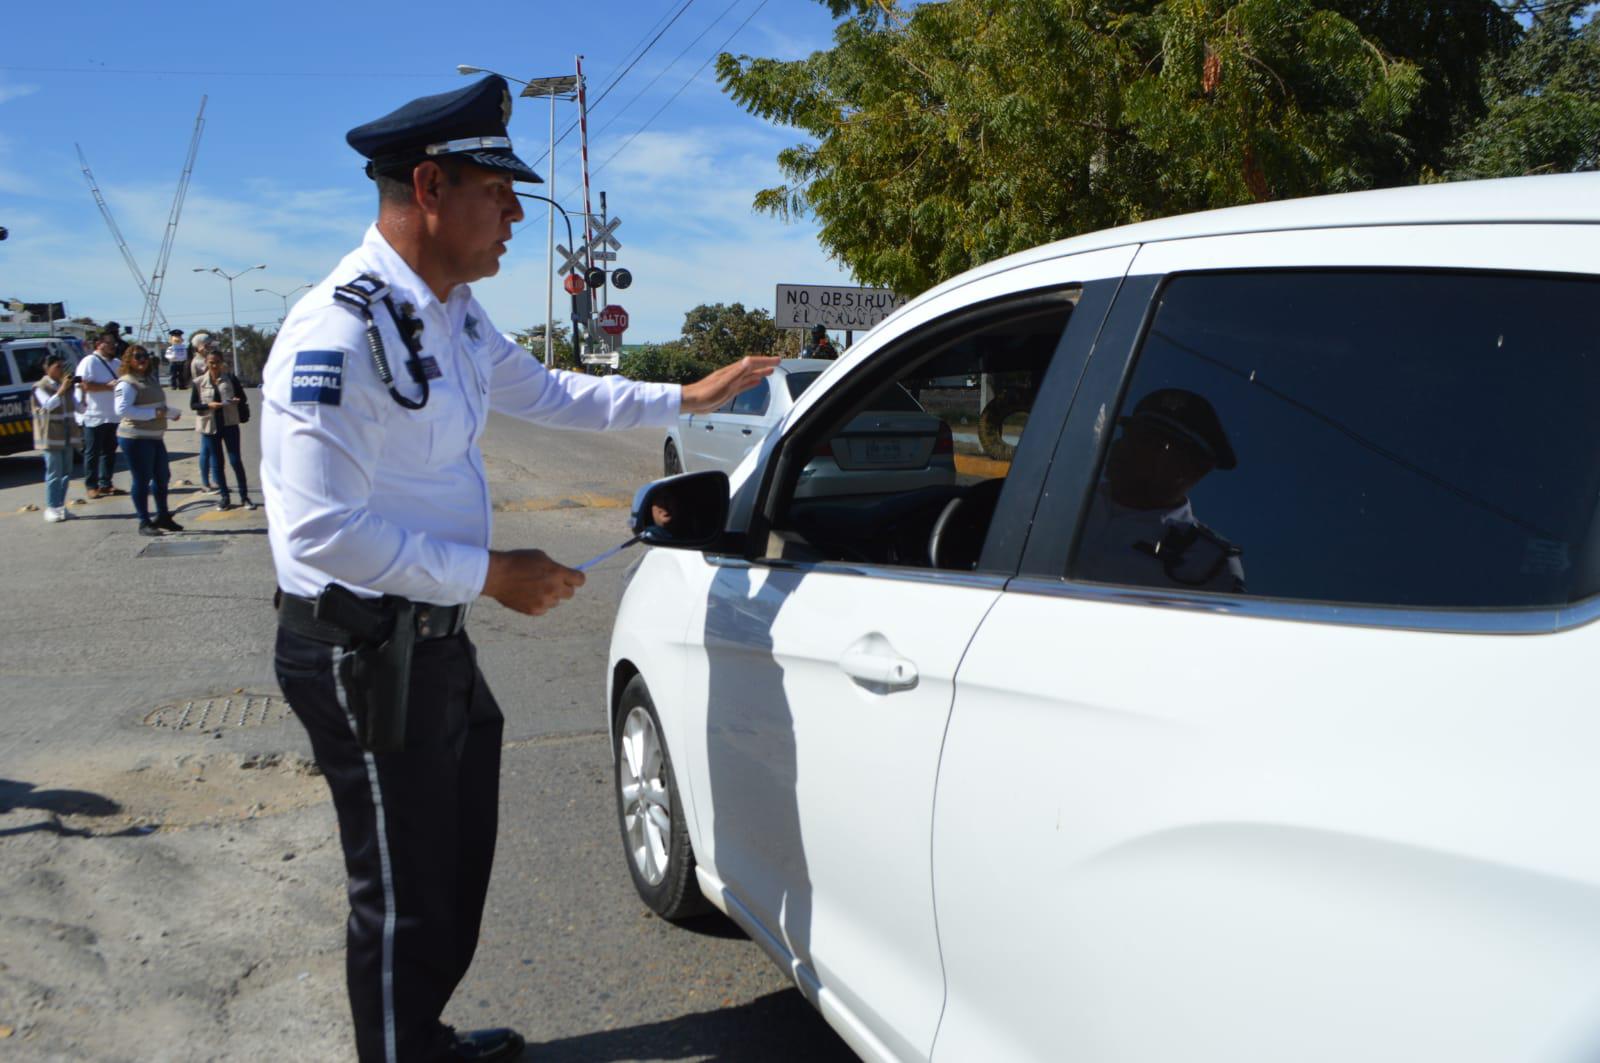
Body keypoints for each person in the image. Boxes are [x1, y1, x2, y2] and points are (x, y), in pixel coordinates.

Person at [260, 75, 778, 1063]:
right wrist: (492, 572)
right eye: (496, 192)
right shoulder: (337, 333)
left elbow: (549, 393)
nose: (511, 215)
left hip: (431, 634)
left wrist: (685, 394)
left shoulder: (446, 312)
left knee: (453, 864)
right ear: (428, 187)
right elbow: (322, 534)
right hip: (363, 644)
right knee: (402, 884)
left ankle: (423, 1034)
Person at [1074, 387, 1245, 593]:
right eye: (1129, 433)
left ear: (1191, 470)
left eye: (1149, 442)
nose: (1125, 445)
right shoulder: (1060, 502)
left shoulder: (1208, 564)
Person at [113, 345, 185, 537]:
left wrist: (169, 413)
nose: (143, 360)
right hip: (135, 437)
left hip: (154, 436)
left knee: (162, 477)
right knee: (142, 479)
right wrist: (154, 413)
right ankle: (144, 521)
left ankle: (163, 516)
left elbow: (157, 404)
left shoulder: (150, 379)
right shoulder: (126, 383)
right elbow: (122, 410)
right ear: (129, 360)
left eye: (145, 356)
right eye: (138, 357)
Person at [190, 349, 254, 510]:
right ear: (206, 363)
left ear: (222, 363)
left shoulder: (230, 379)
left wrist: (235, 401)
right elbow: (194, 405)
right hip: (210, 426)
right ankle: (224, 496)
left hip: (230, 424)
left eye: (217, 362)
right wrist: (208, 405)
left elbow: (242, 397)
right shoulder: (199, 382)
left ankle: (244, 496)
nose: (214, 365)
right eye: (211, 362)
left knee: (235, 461)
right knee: (217, 463)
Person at [32, 352, 80, 523]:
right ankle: (52, 506)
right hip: (50, 435)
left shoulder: (65, 386)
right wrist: (62, 390)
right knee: (54, 473)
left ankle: (60, 505)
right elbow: (48, 405)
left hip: (67, 434)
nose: (61, 370)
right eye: (58, 367)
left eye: (63, 366)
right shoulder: (40, 386)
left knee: (66, 473)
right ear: (47, 368)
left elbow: (78, 407)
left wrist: (82, 391)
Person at [75, 332, 123, 499]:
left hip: (113, 415)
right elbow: (82, 384)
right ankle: (91, 485)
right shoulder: (89, 361)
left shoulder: (117, 363)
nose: (113, 346)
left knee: (109, 451)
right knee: (92, 452)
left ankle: (106, 483)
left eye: (114, 344)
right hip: (94, 415)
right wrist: (107, 386)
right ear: (99, 344)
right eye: (110, 343)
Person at [189, 333, 219, 492]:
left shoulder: (208, 359)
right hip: (206, 407)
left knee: (212, 448)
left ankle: (215, 479)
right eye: (207, 344)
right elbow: (203, 380)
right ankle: (207, 481)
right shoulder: (198, 362)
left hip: (216, 407)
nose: (210, 347)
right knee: (207, 448)